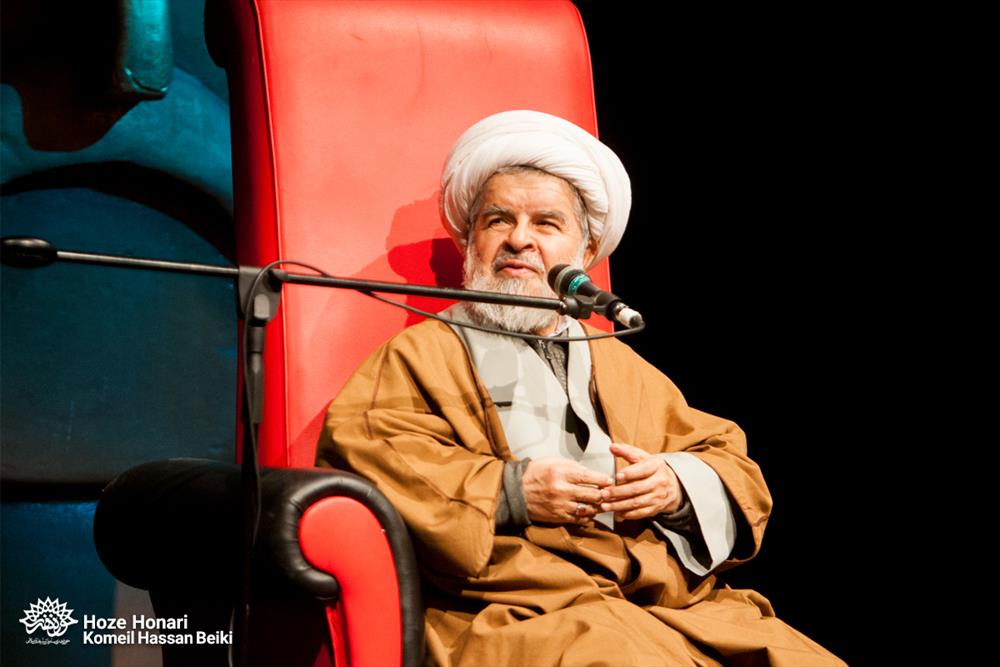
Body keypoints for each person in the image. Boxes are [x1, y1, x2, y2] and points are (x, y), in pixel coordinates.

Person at [317, 110, 845, 666]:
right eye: (497, 220)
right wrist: (512, 490)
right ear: (470, 239)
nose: (519, 239)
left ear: (585, 252)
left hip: (661, 605)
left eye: (546, 224)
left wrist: (675, 485)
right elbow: (368, 449)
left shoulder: (617, 360)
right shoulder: (423, 353)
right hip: (517, 609)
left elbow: (728, 459)